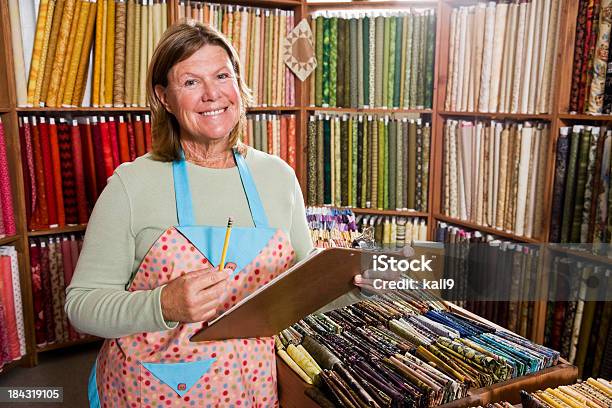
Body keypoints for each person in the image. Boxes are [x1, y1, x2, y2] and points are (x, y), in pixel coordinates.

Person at [65, 21, 313, 407]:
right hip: (154, 390)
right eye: (191, 82)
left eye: (221, 75)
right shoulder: (132, 185)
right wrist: (161, 305)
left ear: (238, 83)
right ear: (164, 98)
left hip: (252, 390)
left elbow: (304, 282)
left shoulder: (278, 177)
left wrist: (350, 284)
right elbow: (81, 305)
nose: (213, 94)